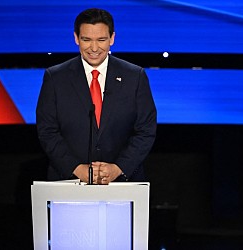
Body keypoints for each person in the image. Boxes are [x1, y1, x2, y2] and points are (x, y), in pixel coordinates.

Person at [36, 8, 157, 184]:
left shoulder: (135, 76)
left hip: (123, 183)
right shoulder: (55, 78)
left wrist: (118, 168)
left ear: (112, 39)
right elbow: (47, 131)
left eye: (101, 40)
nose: (94, 48)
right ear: (76, 38)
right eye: (86, 40)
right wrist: (76, 168)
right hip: (68, 182)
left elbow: (146, 131)